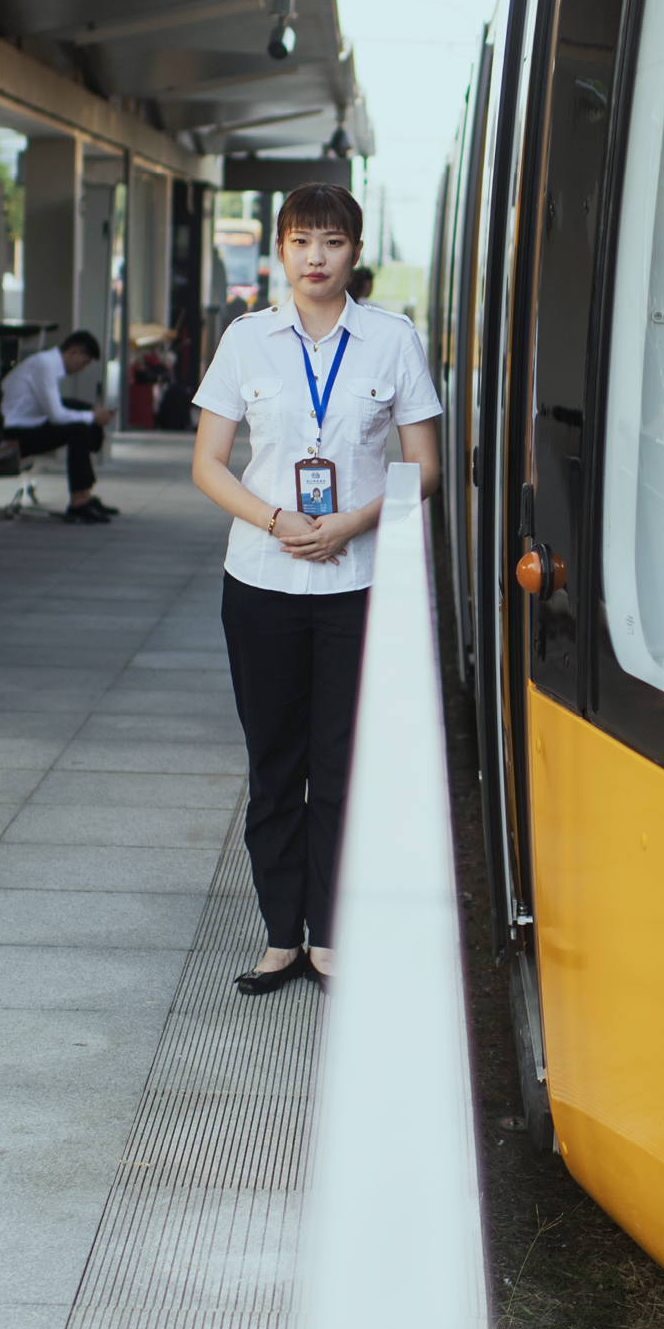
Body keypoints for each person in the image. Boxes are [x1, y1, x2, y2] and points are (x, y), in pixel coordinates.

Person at [190, 183, 442, 994]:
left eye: (331, 242)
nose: (314, 257)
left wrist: (350, 524)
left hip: (358, 581)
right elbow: (207, 464)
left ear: (355, 253)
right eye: (300, 241)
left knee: (340, 762)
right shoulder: (246, 341)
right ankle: (278, 934)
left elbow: (425, 466)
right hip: (261, 580)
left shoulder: (392, 341)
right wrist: (275, 521)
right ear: (280, 251)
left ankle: (330, 936)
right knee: (274, 764)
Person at [1, 328, 118, 524]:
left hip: (28, 424)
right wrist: (92, 417)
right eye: (85, 362)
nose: (83, 368)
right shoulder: (44, 366)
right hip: (14, 431)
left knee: (82, 409)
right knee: (79, 429)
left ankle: (85, 495)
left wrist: (92, 411)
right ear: (73, 351)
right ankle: (79, 502)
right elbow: (56, 416)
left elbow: (58, 408)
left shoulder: (47, 363)